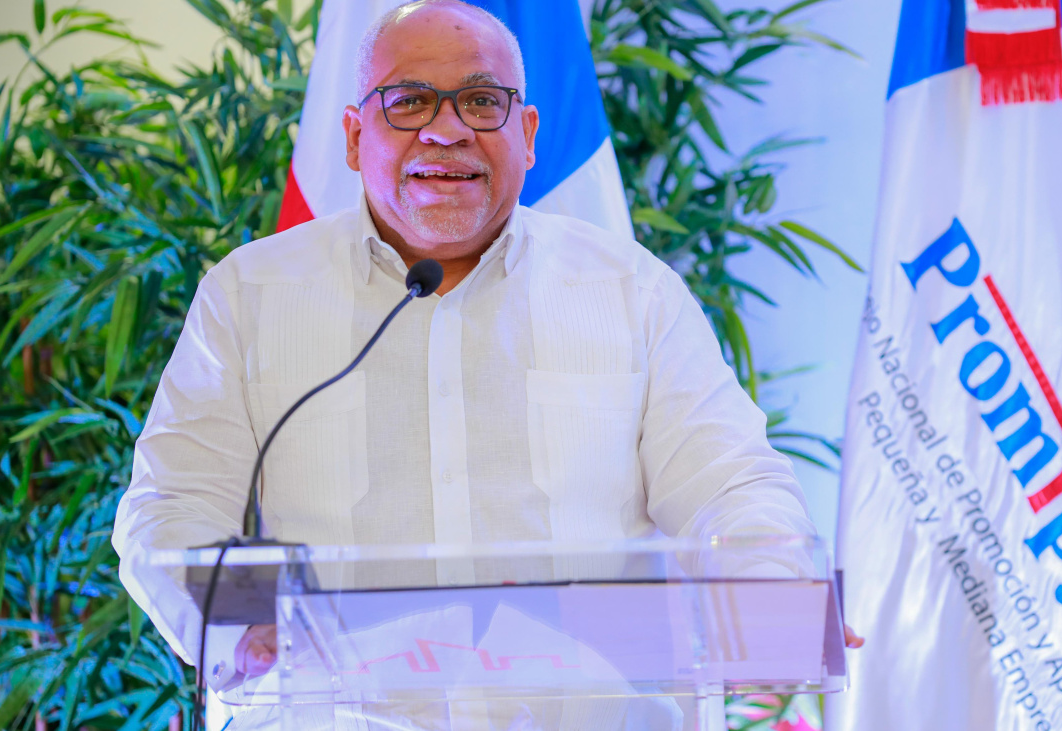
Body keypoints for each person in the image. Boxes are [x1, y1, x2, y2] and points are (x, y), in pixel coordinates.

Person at [112, 1, 859, 727]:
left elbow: (731, 482)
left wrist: (768, 585)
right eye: (409, 101)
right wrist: (244, 626)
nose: (447, 130)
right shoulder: (251, 295)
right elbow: (173, 506)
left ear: (527, 134)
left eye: (481, 101)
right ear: (354, 136)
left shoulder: (632, 292)